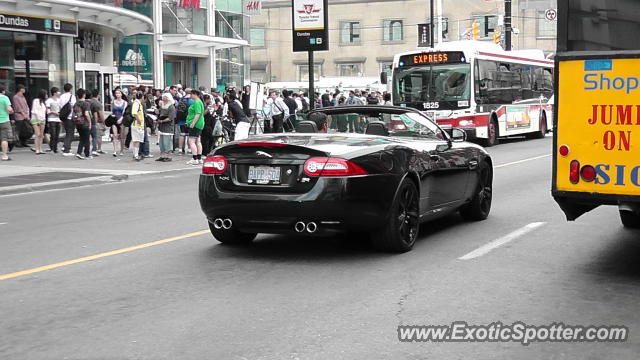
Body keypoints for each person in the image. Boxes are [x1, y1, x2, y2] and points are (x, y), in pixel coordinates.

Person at [186, 90, 204, 165]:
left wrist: (193, 123)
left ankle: (194, 158)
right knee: (198, 141)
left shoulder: (197, 102)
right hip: (200, 123)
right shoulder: (199, 102)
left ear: (195, 94)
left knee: (191, 141)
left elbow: (198, 113)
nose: (190, 96)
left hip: (195, 123)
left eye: (191, 94)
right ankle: (199, 158)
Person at [72, 89, 92, 159]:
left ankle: (79, 152)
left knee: (82, 138)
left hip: (78, 123)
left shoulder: (76, 103)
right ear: (84, 95)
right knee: (86, 139)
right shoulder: (86, 103)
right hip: (85, 123)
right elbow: (87, 114)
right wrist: (90, 122)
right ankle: (87, 154)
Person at [156, 93, 176, 162]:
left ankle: (168, 156)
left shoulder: (171, 107)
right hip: (162, 127)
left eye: (165, 97)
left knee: (167, 142)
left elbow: (170, 118)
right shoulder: (162, 106)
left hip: (168, 127)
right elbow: (159, 113)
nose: (163, 99)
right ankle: (163, 155)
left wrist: (162, 121)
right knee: (161, 142)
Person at [59, 83, 76, 156]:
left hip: (64, 116)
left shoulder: (61, 96)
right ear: (70, 89)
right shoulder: (72, 96)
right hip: (70, 117)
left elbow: (60, 106)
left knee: (67, 132)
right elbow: (74, 107)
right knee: (70, 133)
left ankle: (65, 146)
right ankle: (66, 150)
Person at [110, 89, 127, 156]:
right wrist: (112, 116)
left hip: (122, 120)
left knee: (122, 136)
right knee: (115, 135)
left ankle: (121, 150)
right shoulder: (113, 102)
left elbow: (125, 113)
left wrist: (121, 119)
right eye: (116, 93)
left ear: (121, 94)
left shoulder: (124, 102)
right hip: (114, 120)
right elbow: (112, 111)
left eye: (119, 93)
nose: (117, 94)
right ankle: (115, 150)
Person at [89, 89, 106, 156]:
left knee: (90, 136)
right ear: (98, 95)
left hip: (88, 121)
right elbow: (101, 114)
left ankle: (91, 149)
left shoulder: (89, 102)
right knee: (98, 136)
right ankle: (97, 149)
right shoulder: (98, 104)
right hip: (97, 121)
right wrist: (104, 123)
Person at [30, 89, 47, 154]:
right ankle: (37, 149)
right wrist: (38, 120)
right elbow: (35, 110)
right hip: (36, 119)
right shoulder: (36, 100)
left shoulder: (43, 102)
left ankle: (40, 148)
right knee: (38, 134)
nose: (46, 95)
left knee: (41, 135)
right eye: (45, 94)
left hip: (42, 119)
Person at [130, 92, 145, 161]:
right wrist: (138, 120)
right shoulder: (136, 103)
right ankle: (136, 155)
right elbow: (134, 113)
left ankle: (135, 154)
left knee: (136, 140)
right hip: (137, 124)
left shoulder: (137, 103)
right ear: (142, 97)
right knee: (137, 140)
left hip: (138, 124)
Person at [0, 87, 14, 161]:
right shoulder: (5, 98)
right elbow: (9, 109)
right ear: (3, 91)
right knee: (4, 139)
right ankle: (4, 155)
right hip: (4, 121)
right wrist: (11, 112)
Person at [46, 87, 61, 153]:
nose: (59, 93)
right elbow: (48, 111)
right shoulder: (49, 100)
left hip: (58, 119)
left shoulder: (59, 100)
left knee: (57, 134)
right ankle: (52, 147)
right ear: (54, 93)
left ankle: (55, 148)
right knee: (53, 134)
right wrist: (54, 112)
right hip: (51, 119)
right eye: (58, 91)